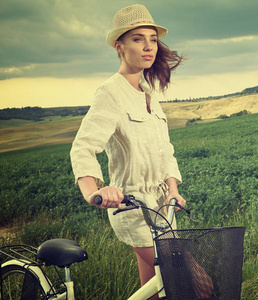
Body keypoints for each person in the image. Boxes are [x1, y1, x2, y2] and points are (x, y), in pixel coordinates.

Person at [70, 4, 188, 295]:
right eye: (138, 39)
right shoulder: (111, 92)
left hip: (162, 208)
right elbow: (83, 148)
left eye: (152, 39)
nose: (148, 46)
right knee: (192, 281)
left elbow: (165, 149)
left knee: (153, 289)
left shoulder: (149, 93)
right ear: (119, 47)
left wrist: (173, 188)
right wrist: (94, 193)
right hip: (132, 207)